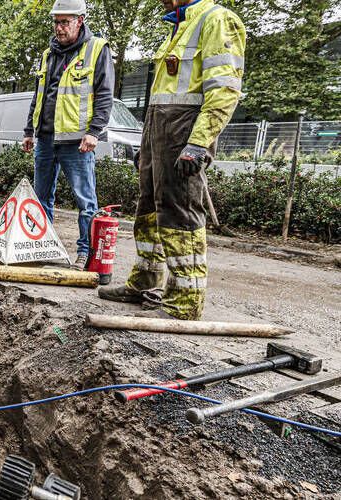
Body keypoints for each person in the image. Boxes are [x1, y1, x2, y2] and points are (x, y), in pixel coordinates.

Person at [98, 0, 245, 320]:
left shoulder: (216, 20)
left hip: (184, 133)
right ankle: (145, 282)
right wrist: (147, 143)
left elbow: (225, 90)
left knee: (180, 213)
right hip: (159, 132)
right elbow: (167, 94)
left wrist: (199, 142)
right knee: (148, 209)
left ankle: (185, 300)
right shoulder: (179, 27)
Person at [23, 0, 115, 271]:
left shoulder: (97, 49)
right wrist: (30, 130)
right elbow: (38, 96)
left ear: (80, 20)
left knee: (85, 201)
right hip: (46, 140)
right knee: (41, 198)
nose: (59, 28)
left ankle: (85, 253)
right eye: (56, 22)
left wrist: (94, 132)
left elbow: (105, 95)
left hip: (77, 143)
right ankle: (41, 245)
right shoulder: (47, 54)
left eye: (65, 22)